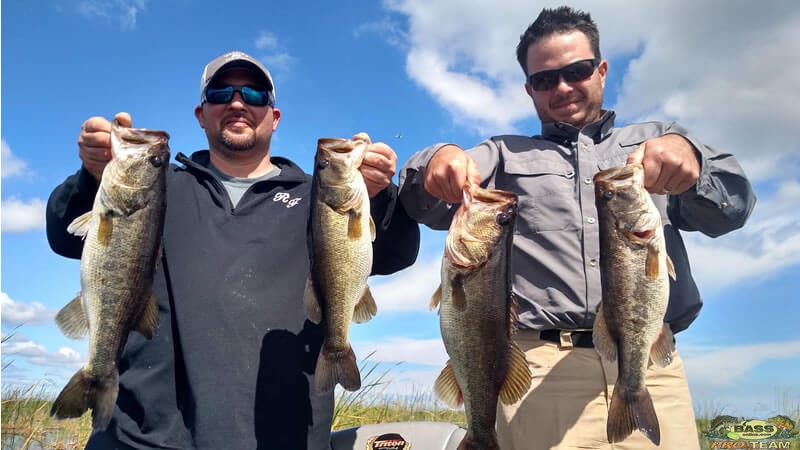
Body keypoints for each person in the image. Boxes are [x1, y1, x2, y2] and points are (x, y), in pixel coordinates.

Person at [398, 6, 756, 450]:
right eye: (545, 79)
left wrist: (694, 162)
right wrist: (438, 157)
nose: (563, 87)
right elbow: (421, 202)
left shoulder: (658, 140)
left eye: (577, 71)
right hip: (539, 370)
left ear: (601, 71)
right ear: (529, 89)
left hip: (651, 368)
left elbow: (733, 210)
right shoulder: (502, 154)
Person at [46, 50, 420, 450]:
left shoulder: (319, 197)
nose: (238, 103)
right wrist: (92, 177)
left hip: (282, 439)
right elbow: (65, 236)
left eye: (255, 95)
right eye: (221, 93)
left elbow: (396, 253)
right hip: (140, 439)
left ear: (275, 117)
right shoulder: (158, 187)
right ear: (200, 114)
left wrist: (378, 195)